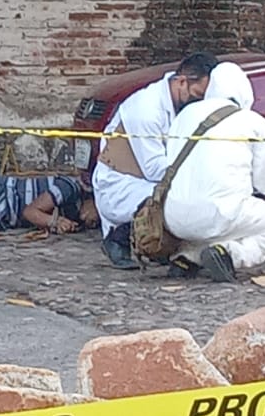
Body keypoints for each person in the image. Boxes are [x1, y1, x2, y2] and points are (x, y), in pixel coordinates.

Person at [161, 61, 265, 282]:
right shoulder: (252, 121)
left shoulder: (184, 115)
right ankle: (229, 255)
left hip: (171, 217)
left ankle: (187, 257)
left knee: (208, 218)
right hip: (219, 214)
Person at [91, 52, 217, 269]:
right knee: (183, 200)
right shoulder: (146, 110)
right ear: (181, 82)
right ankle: (118, 237)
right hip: (123, 186)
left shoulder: (179, 105)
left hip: (150, 183)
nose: (199, 102)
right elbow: (155, 170)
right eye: (197, 95)